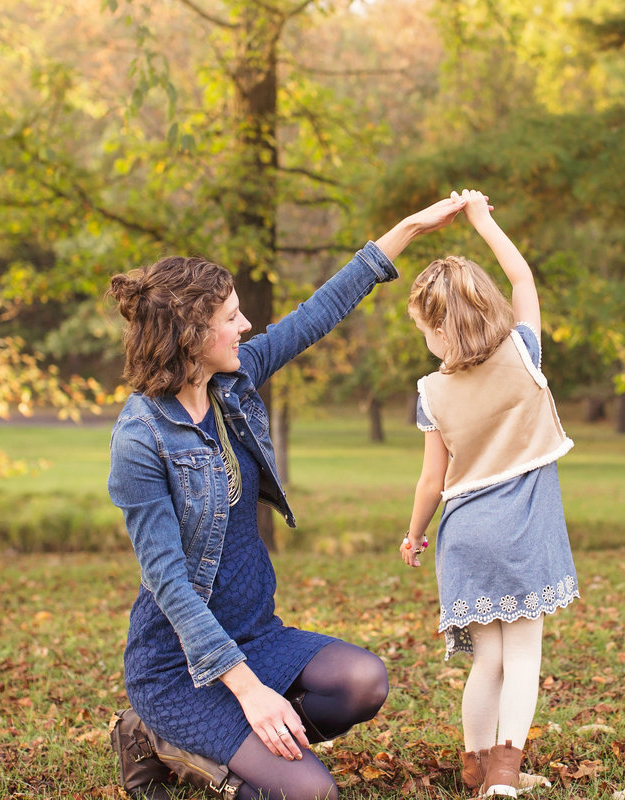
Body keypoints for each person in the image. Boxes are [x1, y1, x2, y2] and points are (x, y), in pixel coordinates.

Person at [105, 194, 467, 800]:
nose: (245, 327)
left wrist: (407, 229)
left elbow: (317, 313)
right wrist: (248, 692)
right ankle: (163, 738)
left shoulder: (234, 379)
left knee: (363, 682)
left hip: (255, 634)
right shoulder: (140, 440)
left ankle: (235, 745)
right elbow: (167, 582)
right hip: (180, 666)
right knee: (309, 795)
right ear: (193, 335)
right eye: (232, 317)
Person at [399, 189, 580, 798]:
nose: (424, 339)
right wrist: (479, 219)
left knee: (487, 662)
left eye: (424, 327)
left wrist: (414, 533)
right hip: (523, 532)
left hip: (466, 537)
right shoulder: (523, 354)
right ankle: (504, 779)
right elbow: (520, 274)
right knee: (522, 659)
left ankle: (477, 769)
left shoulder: (431, 393)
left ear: (440, 327)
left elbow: (431, 481)